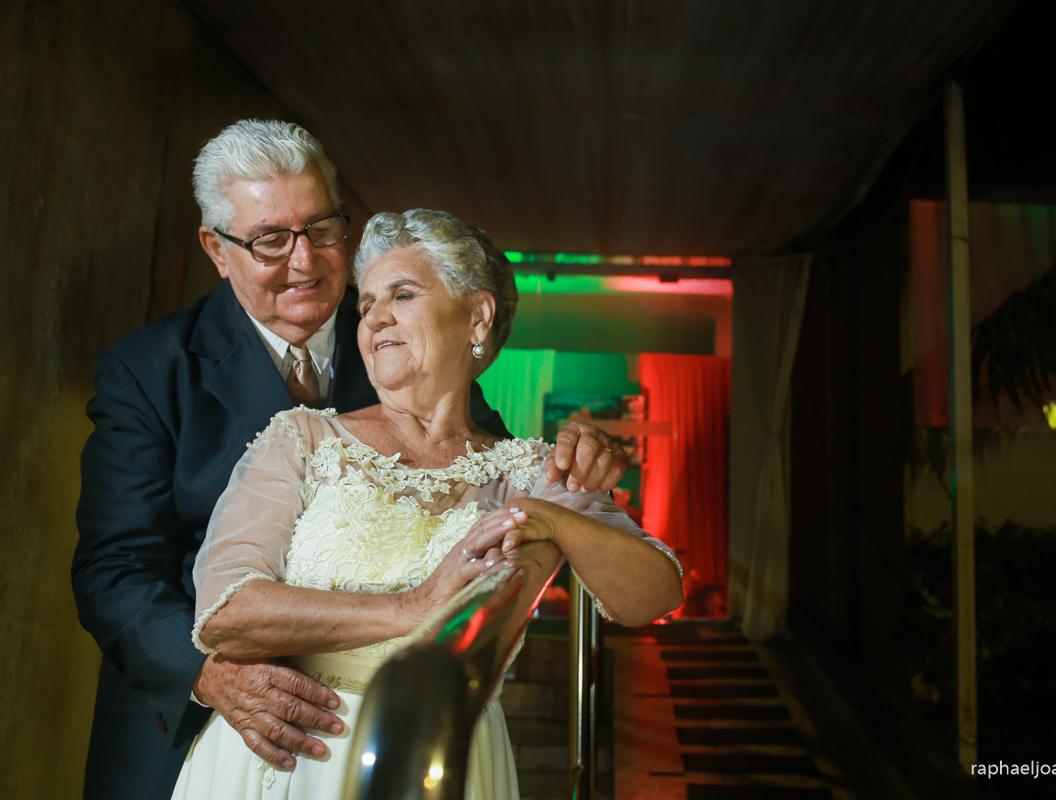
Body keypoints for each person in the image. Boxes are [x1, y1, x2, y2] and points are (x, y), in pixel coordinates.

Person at [71, 121, 631, 800]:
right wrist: (209, 675)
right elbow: (114, 569)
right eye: (271, 240)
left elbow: (490, 468)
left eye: (322, 228)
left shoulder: (405, 338)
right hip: (188, 728)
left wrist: (583, 456)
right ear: (217, 250)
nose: (305, 260)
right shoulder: (147, 369)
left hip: (388, 739)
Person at [170, 209, 683, 799]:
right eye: (366, 305)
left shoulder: (534, 473)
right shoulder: (302, 439)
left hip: (447, 756)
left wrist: (554, 518)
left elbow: (655, 595)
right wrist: (412, 609)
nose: (374, 317)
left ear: (478, 316)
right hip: (288, 758)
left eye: (403, 294)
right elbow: (225, 613)